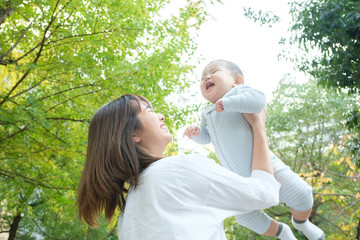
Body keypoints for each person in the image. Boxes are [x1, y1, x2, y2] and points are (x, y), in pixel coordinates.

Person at [77, 94, 281, 240]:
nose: (161, 116)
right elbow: (264, 193)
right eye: (149, 110)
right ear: (133, 134)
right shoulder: (178, 170)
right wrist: (258, 125)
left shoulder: (128, 212)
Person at [183, 59, 325, 240]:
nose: (206, 78)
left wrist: (229, 103)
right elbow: (206, 137)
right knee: (245, 217)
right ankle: (282, 232)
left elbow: (258, 101)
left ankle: (301, 222)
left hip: (268, 167)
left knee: (302, 193)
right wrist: (196, 134)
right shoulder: (207, 112)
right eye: (202, 78)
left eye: (214, 71)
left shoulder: (239, 93)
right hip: (237, 179)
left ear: (237, 81)